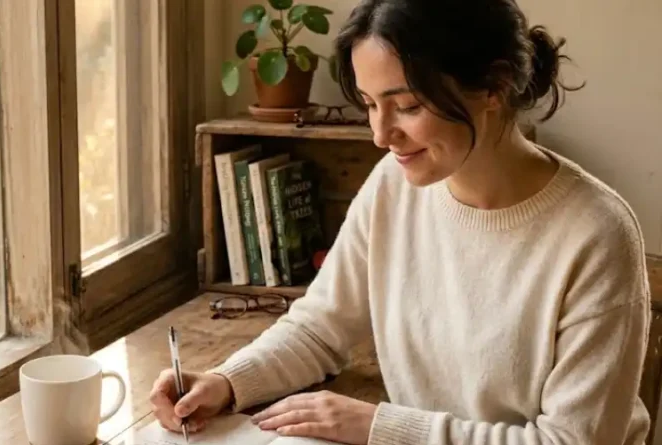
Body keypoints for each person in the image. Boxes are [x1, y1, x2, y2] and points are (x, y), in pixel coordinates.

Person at [150, 0, 652, 443]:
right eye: (370, 105)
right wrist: (228, 381)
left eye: (407, 106)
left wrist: (378, 427)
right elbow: (320, 328)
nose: (380, 134)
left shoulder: (596, 233)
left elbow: (573, 442)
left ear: (494, 87)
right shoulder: (395, 182)